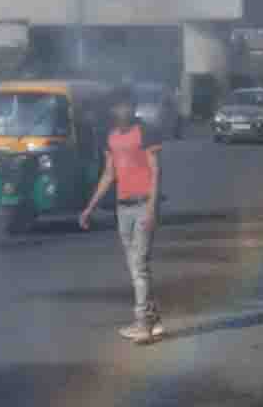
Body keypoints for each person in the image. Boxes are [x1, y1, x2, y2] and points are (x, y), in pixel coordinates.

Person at [80, 90, 164, 344]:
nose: (122, 111)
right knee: (135, 266)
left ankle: (142, 324)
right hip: (122, 208)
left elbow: (155, 171)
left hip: (142, 206)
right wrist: (89, 207)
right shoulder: (111, 138)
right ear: (113, 110)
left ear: (133, 108)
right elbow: (109, 174)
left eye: (126, 106)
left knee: (139, 265)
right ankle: (154, 319)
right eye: (118, 107)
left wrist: (152, 206)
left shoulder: (146, 132)